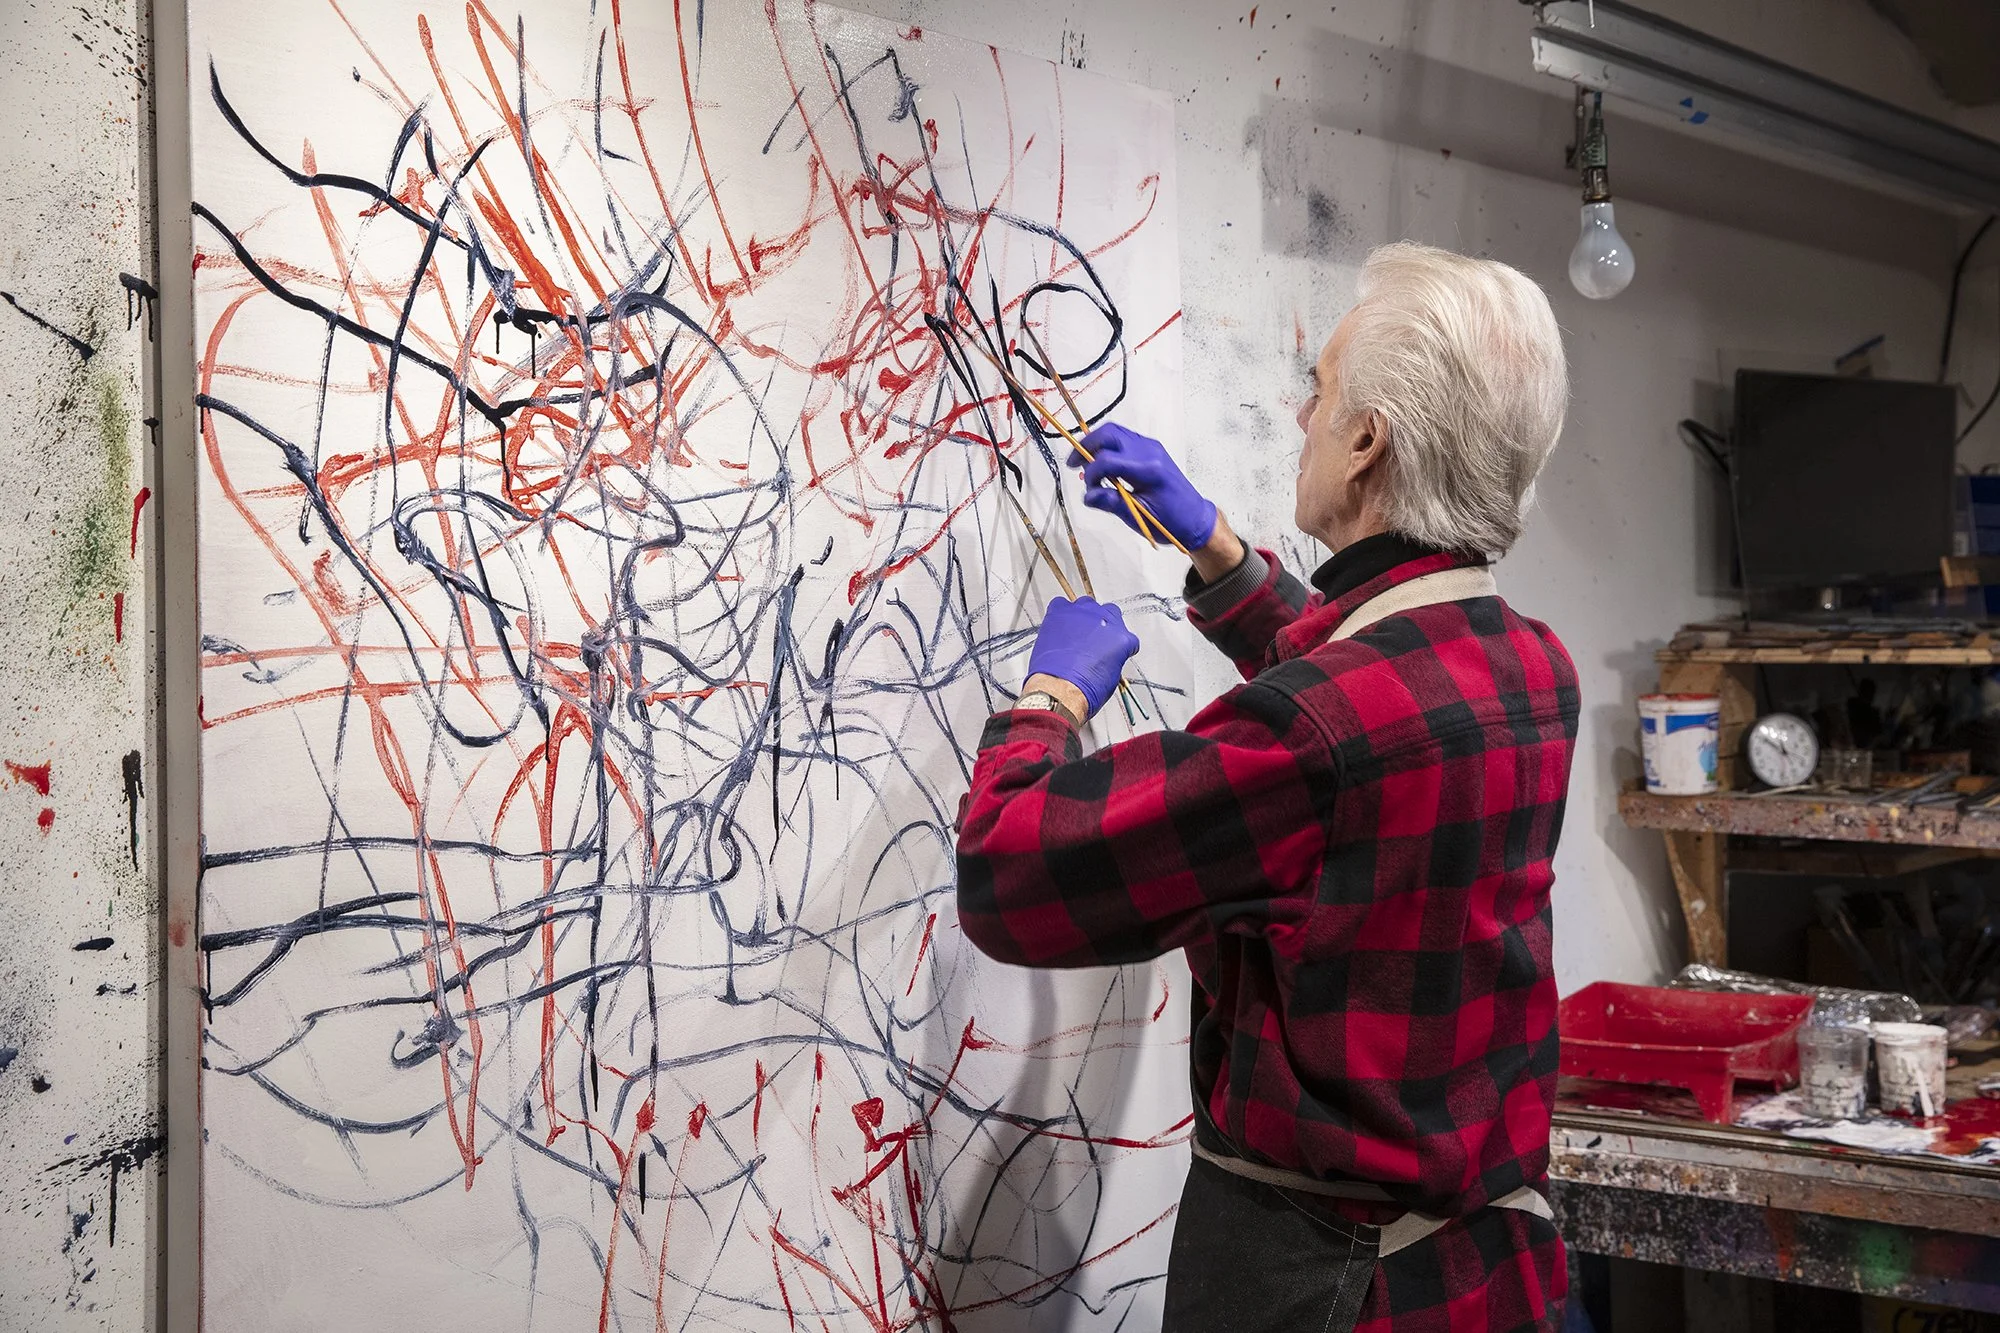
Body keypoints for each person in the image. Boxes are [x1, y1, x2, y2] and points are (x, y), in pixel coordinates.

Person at [954, 241, 1578, 1332]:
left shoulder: (1316, 733)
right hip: (1485, 1270)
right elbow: (1376, 703)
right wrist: (1218, 552)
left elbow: (1009, 876)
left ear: (1367, 441)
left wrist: (1047, 700)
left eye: (1320, 392)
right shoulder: (1530, 663)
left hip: (1329, 1283)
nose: (1301, 416)